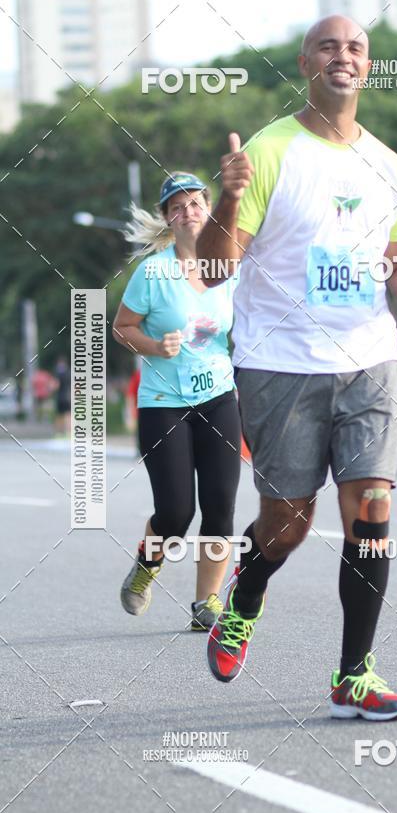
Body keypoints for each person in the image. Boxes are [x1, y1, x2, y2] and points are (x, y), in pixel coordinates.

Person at [196, 16, 397, 720]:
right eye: (329, 47)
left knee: (372, 505)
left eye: (356, 48)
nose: (343, 56)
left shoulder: (389, 165)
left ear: (367, 66)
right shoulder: (272, 151)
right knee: (287, 521)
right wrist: (230, 199)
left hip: (369, 359)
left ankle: (354, 675)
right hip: (280, 366)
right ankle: (246, 590)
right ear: (306, 62)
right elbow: (214, 268)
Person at [113, 172, 241, 631]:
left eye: (195, 203)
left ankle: (206, 602)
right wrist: (153, 346)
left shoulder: (229, 266)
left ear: (209, 210)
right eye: (177, 206)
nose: (188, 212)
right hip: (163, 403)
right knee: (176, 512)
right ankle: (146, 567)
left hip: (219, 399)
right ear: (168, 218)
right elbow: (122, 327)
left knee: (221, 505)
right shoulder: (153, 272)